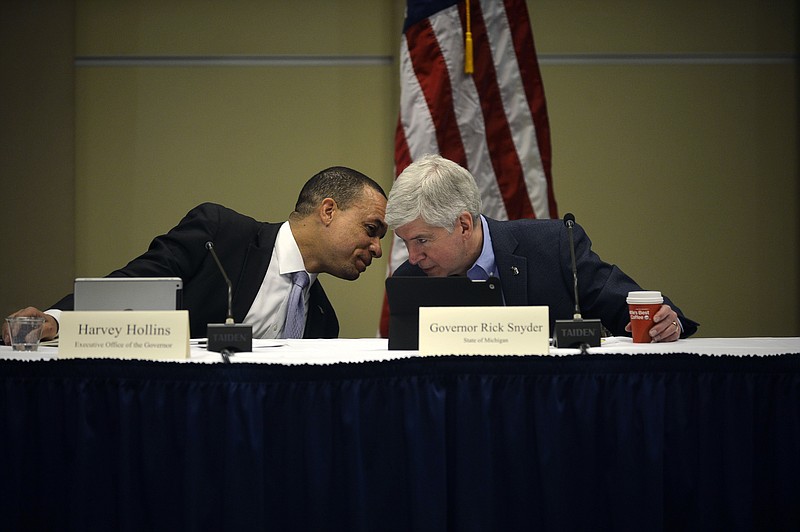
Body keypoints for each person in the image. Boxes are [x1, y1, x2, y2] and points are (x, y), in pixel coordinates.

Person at [3, 166, 388, 343]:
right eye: (371, 229)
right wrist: (56, 320)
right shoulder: (220, 235)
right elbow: (136, 284)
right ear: (328, 210)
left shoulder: (323, 323)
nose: (377, 248)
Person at [385, 154, 698, 341]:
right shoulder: (409, 280)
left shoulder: (553, 246)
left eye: (422, 240)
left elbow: (625, 306)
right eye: (406, 242)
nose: (413, 256)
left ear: (464, 225)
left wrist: (667, 323)